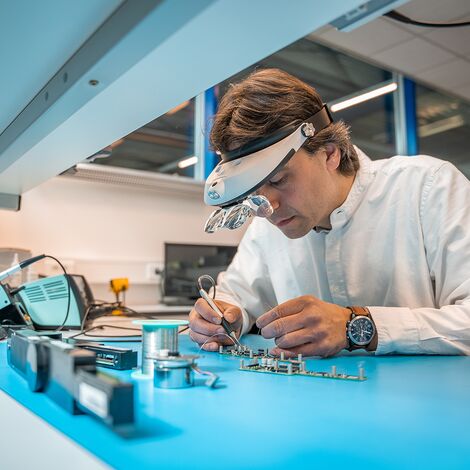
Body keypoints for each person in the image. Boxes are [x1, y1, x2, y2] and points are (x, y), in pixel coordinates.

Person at [189, 68, 470, 357]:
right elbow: (235, 297)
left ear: (330, 153)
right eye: (254, 192)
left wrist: (359, 325)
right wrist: (220, 319)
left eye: (278, 180)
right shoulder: (267, 227)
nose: (266, 207)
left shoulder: (429, 187)